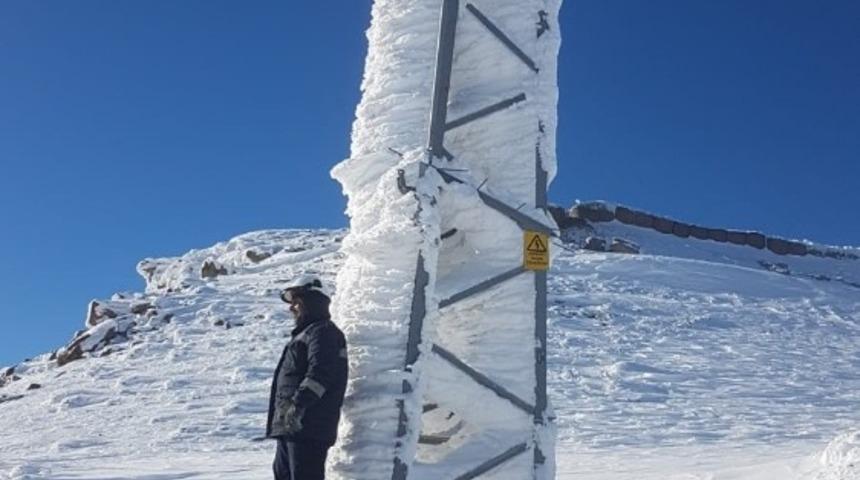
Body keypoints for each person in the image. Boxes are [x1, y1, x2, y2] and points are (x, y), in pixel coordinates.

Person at [266, 275, 348, 480]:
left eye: (296, 302)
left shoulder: (323, 332)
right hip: (291, 427)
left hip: (308, 427)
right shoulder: (305, 335)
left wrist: (298, 405)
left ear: (312, 301)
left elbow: (321, 373)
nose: (291, 308)